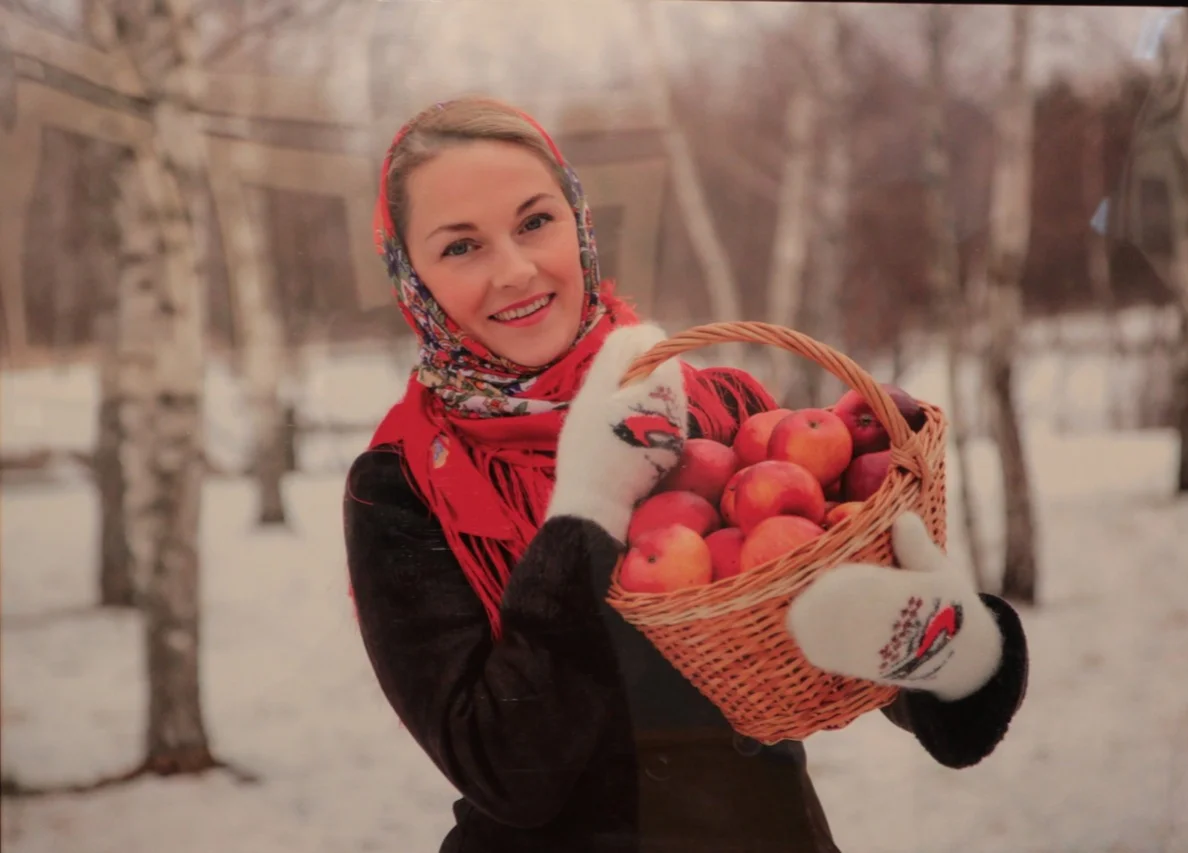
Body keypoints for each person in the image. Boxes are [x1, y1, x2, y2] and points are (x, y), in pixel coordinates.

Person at [344, 96, 1029, 853]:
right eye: (461, 247)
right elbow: (509, 770)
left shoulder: (713, 407)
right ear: (415, 279)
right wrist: (587, 511)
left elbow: (872, 675)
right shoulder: (401, 485)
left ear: (579, 222)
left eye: (536, 221)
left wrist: (952, 657)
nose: (514, 269)